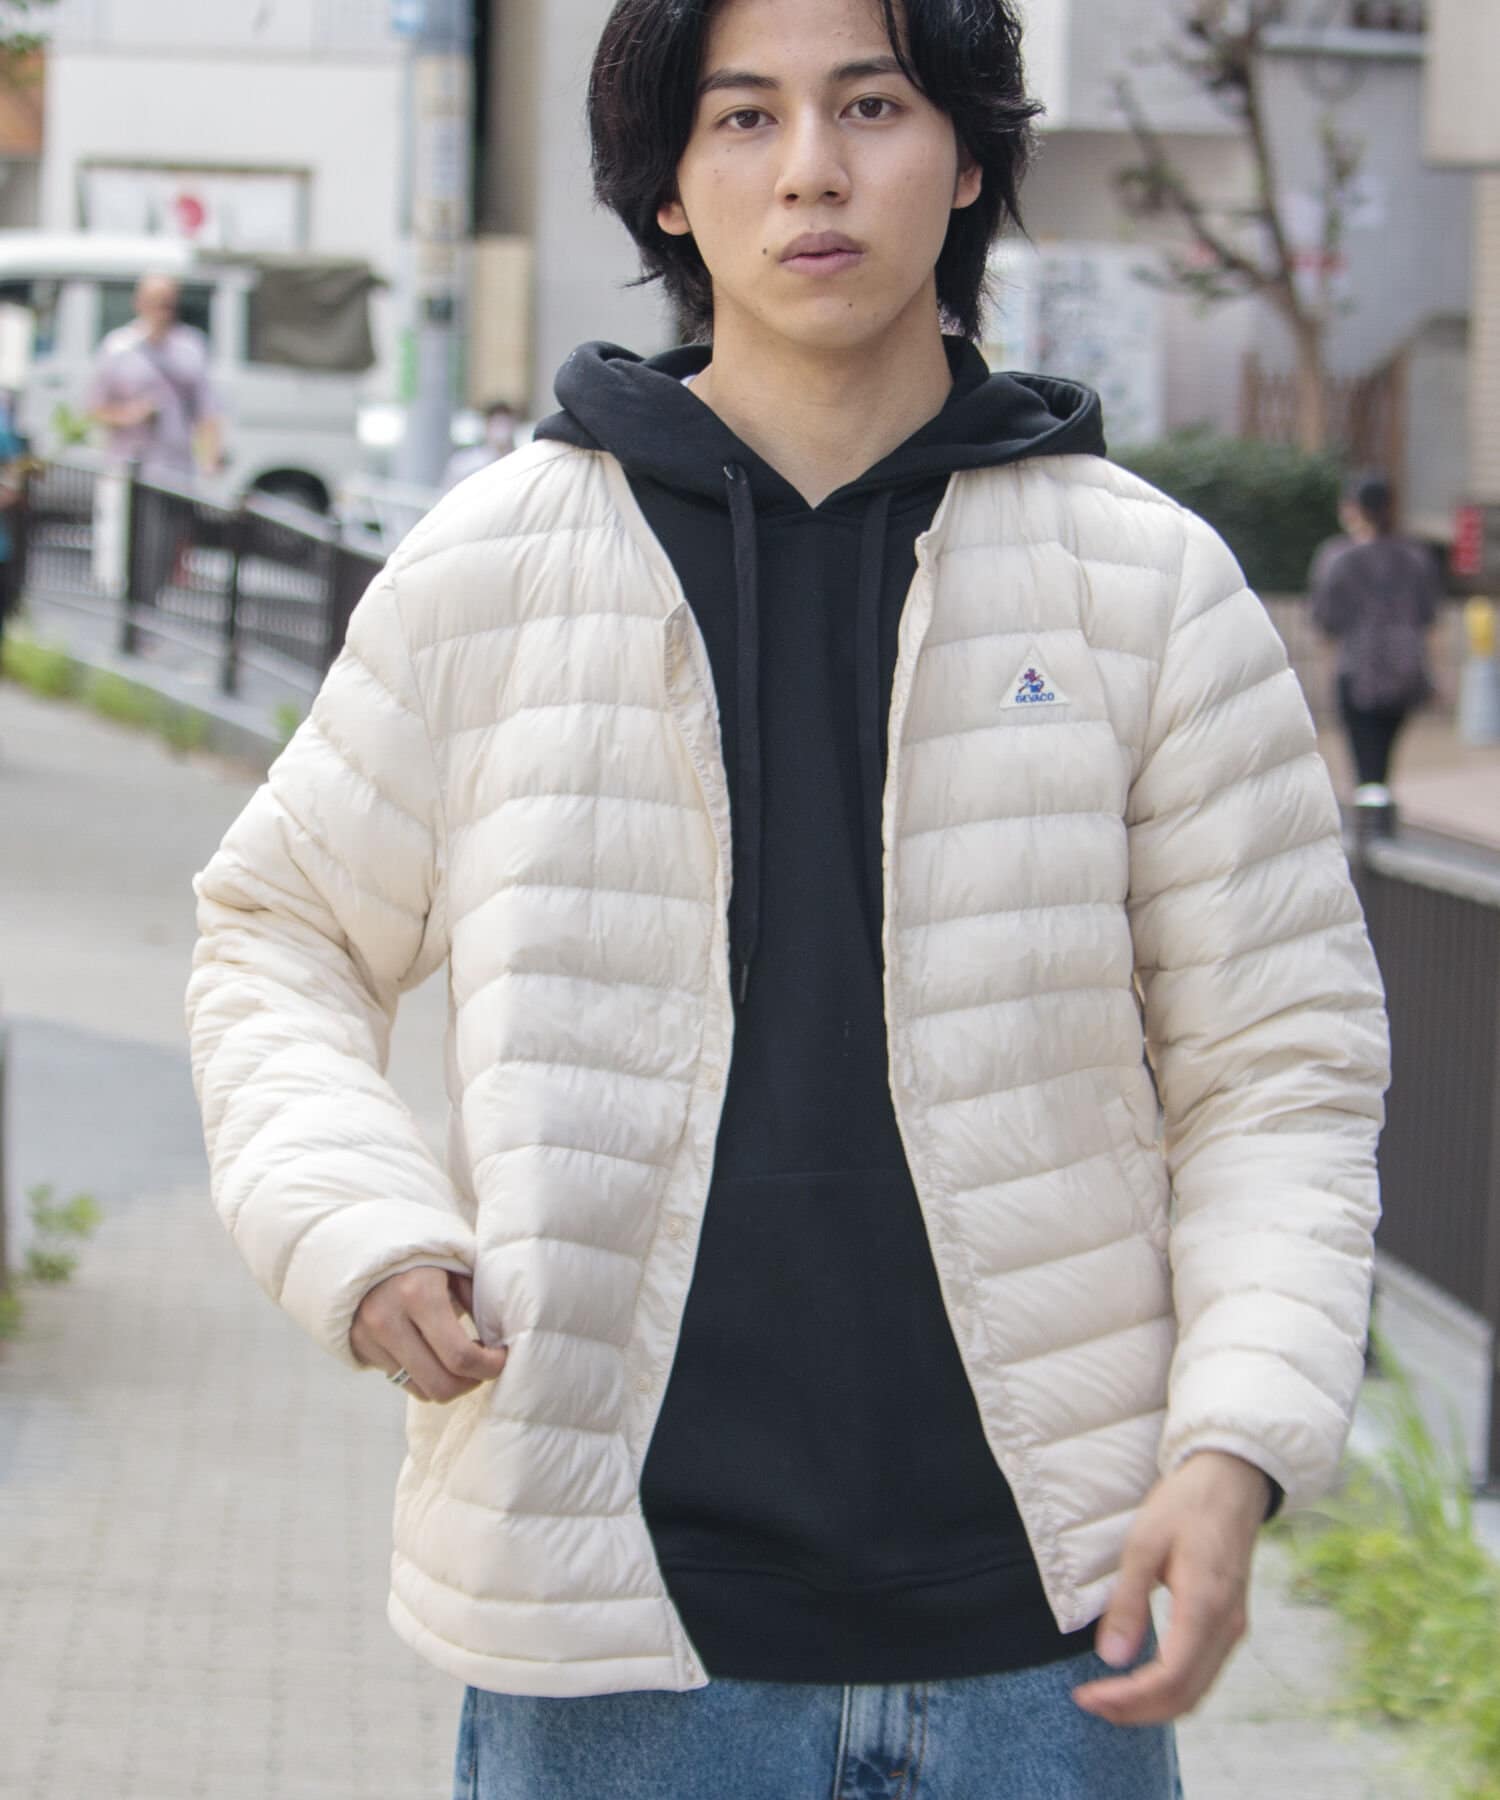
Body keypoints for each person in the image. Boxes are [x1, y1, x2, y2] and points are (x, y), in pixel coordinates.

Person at [186, 2, 1389, 1796]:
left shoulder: (1146, 588)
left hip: (1048, 1642)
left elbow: (1279, 1067)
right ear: (669, 186)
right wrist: (355, 1222)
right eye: (744, 118)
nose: (813, 169)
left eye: (873, 105)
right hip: (613, 1647)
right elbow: (277, 931)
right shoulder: (493, 569)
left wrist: (1235, 1446)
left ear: (966, 158)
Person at [87, 273, 222, 604]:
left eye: (169, 304)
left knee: (162, 550)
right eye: (156, 303)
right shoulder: (118, 347)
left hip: (174, 468)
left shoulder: (190, 346)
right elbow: (94, 408)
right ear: (140, 303)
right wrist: (130, 415)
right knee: (130, 552)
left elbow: (207, 409)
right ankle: (131, 614)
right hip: (130, 468)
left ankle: (147, 610)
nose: (163, 311)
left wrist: (210, 456)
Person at [1310, 471, 1441, 810]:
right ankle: (1381, 809)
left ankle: (1371, 822)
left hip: (1357, 670)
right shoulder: (1415, 557)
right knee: (1383, 758)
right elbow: (1429, 618)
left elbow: (1325, 620)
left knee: (1364, 760)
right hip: (1405, 670)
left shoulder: (1338, 557)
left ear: (1353, 508)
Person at [441, 398, 519, 493]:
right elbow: (448, 493)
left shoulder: (519, 464)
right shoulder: (466, 464)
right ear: (487, 426)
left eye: (505, 424)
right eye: (497, 424)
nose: (502, 430)